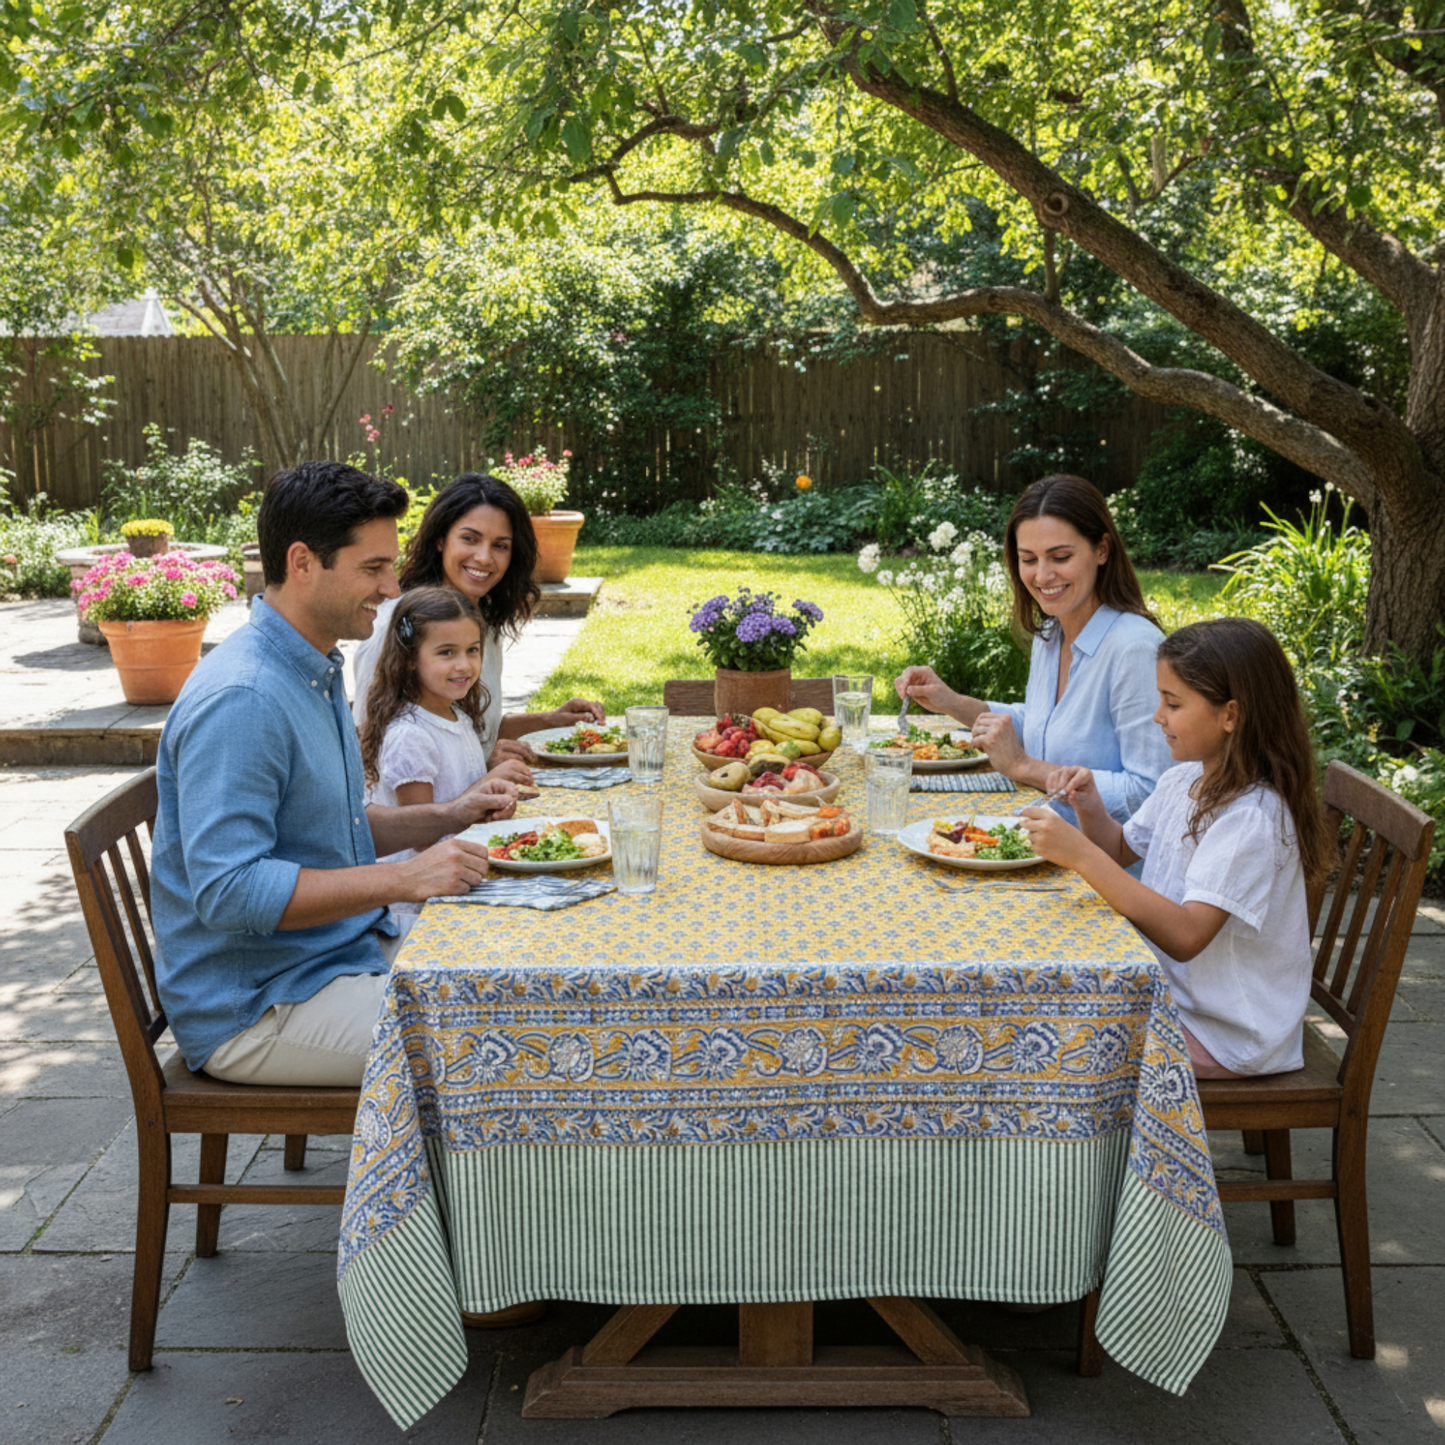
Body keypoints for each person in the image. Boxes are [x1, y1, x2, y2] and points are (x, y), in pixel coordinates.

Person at [150, 461, 518, 1087]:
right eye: (373, 567)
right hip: (259, 1006)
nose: (390, 584)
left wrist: (451, 816)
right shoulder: (246, 697)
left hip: (330, 955)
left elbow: (337, 827)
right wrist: (402, 878)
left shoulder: (308, 668)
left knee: (520, 966)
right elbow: (229, 890)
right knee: (497, 1038)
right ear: (302, 562)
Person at [1018, 617, 1333, 1078]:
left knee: (1067, 1041)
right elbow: (1122, 848)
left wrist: (1079, 855)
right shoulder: (1186, 778)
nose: (1157, 716)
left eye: (1173, 703)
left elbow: (1187, 936)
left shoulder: (1251, 818)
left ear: (1230, 715)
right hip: (1183, 997)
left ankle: (1108, 1148)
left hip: (1227, 1030)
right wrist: (1088, 806)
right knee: (1055, 1008)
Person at [894, 474, 1171, 824]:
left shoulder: (1135, 650)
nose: (1042, 576)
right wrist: (950, 701)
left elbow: (1152, 793)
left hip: (1102, 869)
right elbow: (1047, 726)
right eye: (1028, 559)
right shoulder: (1052, 633)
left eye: (1060, 557)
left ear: (1102, 549)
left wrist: (1023, 767)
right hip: (1043, 841)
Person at [351, 472, 605, 786]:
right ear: (441, 539)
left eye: (500, 545)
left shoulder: (483, 621)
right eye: (470, 539)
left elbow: (470, 727)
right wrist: (482, 768)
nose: (484, 558)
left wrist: (549, 721)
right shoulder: (397, 626)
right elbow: (369, 755)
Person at [359, 586, 494, 938]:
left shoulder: (454, 715)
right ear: (409, 658)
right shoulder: (411, 735)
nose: (464, 664)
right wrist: (482, 792)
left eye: (472, 650)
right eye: (446, 652)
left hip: (458, 881)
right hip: (418, 911)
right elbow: (420, 836)